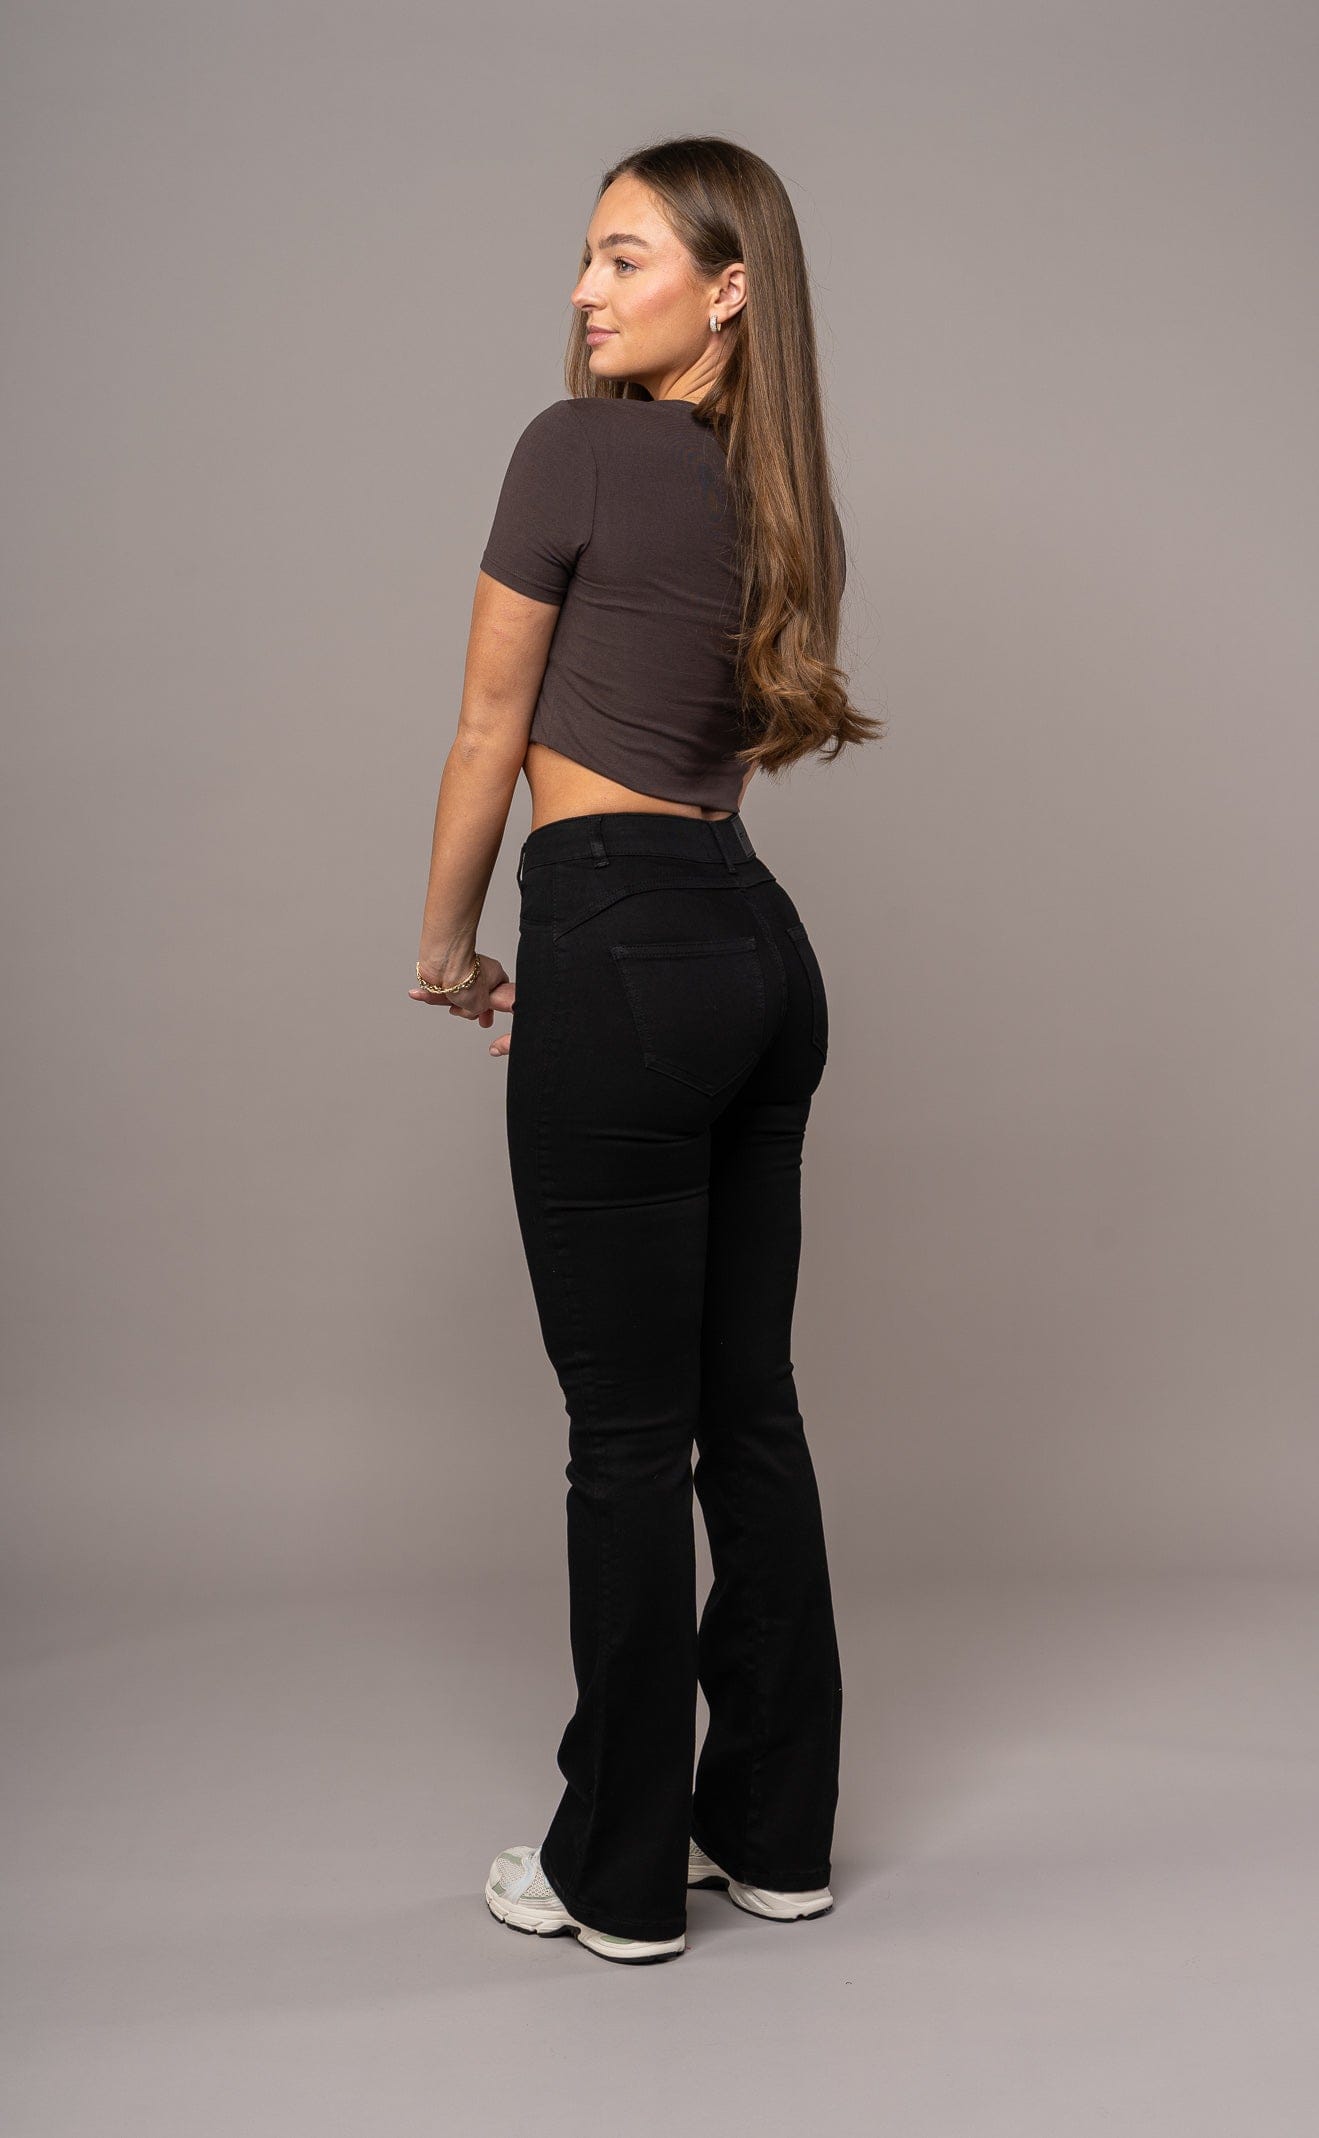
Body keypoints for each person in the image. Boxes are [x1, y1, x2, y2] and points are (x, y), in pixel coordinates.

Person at [410, 135, 882, 1965]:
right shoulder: (783, 495)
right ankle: (773, 1833)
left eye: (624, 257)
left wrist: (451, 948)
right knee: (746, 1409)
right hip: (758, 946)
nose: (585, 291)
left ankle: (615, 1870)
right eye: (587, 258)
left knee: (626, 1438)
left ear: (726, 286)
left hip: (615, 940)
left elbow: (487, 731)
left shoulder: (571, 447)